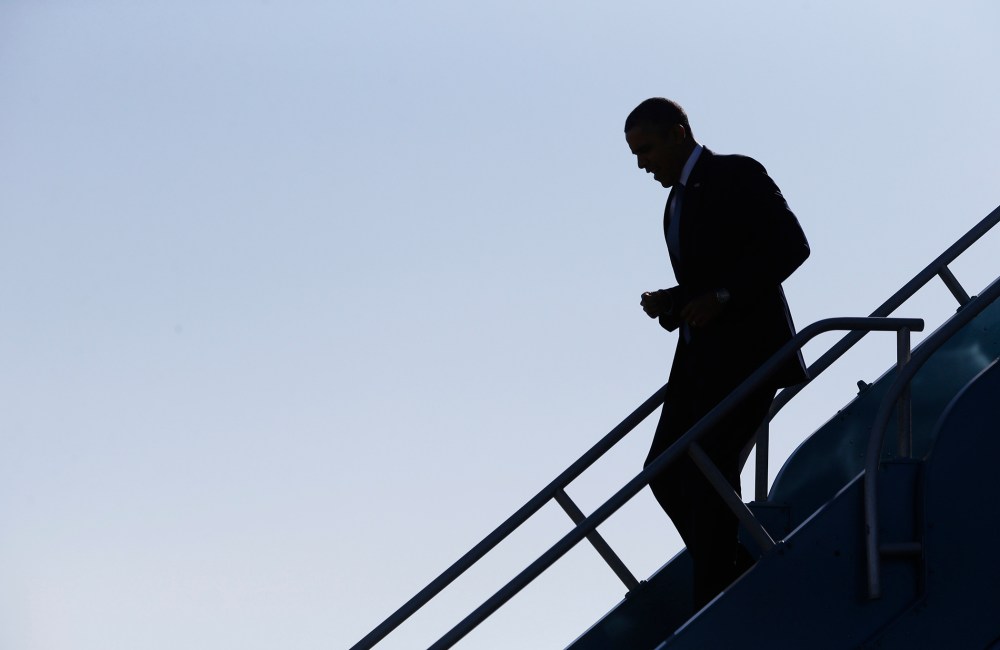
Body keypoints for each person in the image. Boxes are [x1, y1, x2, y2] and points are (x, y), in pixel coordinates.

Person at [624, 97, 810, 609]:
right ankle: (735, 574)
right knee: (665, 470)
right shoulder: (675, 203)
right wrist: (674, 301)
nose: (642, 164)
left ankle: (720, 593)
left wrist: (723, 296)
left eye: (647, 149)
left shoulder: (736, 174)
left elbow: (791, 245)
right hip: (700, 362)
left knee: (709, 470)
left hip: (749, 357)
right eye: (635, 154)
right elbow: (708, 279)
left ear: (678, 134)